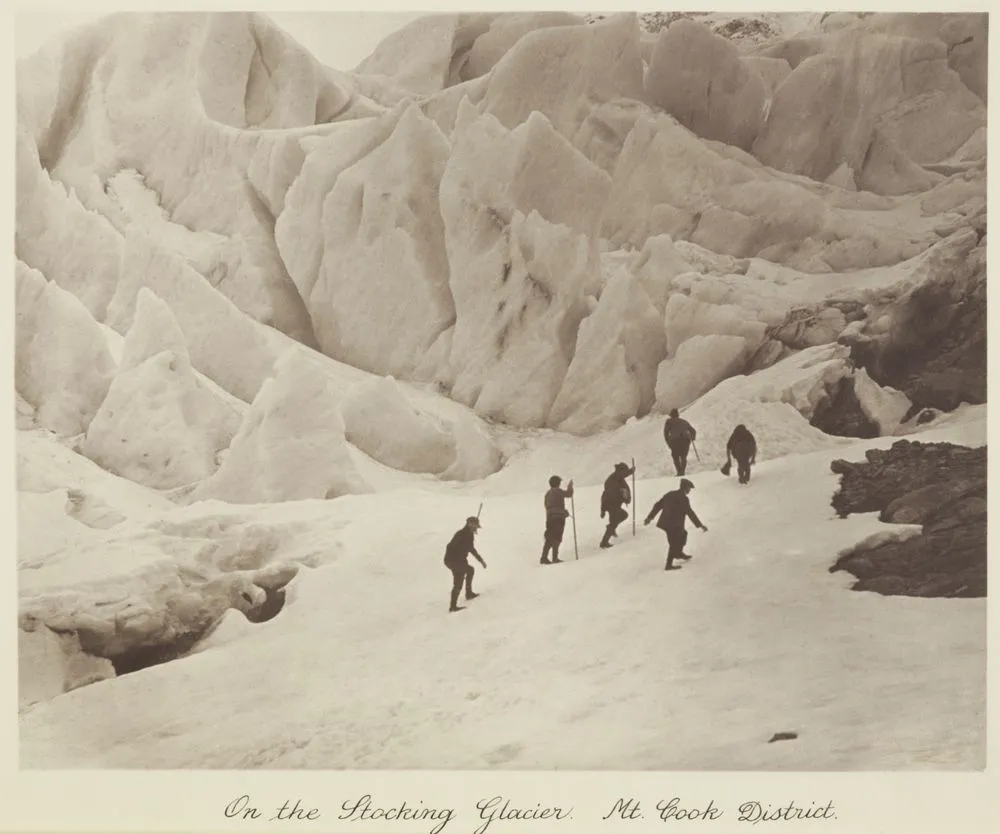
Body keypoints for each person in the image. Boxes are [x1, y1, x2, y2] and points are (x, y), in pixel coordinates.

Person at [644, 478, 707, 570]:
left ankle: (679, 553)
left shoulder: (670, 494)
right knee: (674, 542)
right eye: (689, 488)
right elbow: (690, 513)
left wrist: (649, 517)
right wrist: (700, 525)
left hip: (665, 523)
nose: (690, 490)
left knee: (683, 534)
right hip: (674, 525)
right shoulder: (684, 499)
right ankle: (669, 565)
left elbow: (658, 505)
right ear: (685, 488)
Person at [443, 516, 487, 612]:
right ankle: (453, 607)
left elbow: (471, 549)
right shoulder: (461, 534)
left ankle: (468, 593)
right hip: (452, 560)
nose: (476, 529)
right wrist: (459, 561)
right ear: (470, 524)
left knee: (470, 570)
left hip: (458, 560)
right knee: (459, 580)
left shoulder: (469, 535)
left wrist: (481, 560)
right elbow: (451, 547)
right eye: (475, 526)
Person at [599, 462, 634, 549]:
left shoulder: (614, 478)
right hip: (612, 504)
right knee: (615, 521)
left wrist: (602, 509)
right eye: (624, 470)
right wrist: (630, 471)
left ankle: (611, 529)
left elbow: (604, 495)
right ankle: (604, 542)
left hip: (610, 504)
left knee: (622, 515)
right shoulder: (615, 478)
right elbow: (609, 494)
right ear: (620, 470)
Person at [542, 475, 574, 564]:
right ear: (557, 483)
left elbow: (547, 506)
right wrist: (570, 486)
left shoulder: (547, 494)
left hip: (550, 519)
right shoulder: (558, 491)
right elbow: (569, 494)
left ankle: (543, 557)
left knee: (549, 538)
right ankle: (555, 558)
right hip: (558, 518)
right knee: (557, 537)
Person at [663, 408, 697, 476]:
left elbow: (666, 433)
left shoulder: (669, 421)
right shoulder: (684, 421)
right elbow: (693, 431)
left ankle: (679, 472)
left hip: (675, 441)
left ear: (671, 415)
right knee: (683, 456)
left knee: (675, 456)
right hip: (685, 440)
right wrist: (692, 438)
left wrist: (668, 443)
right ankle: (682, 471)